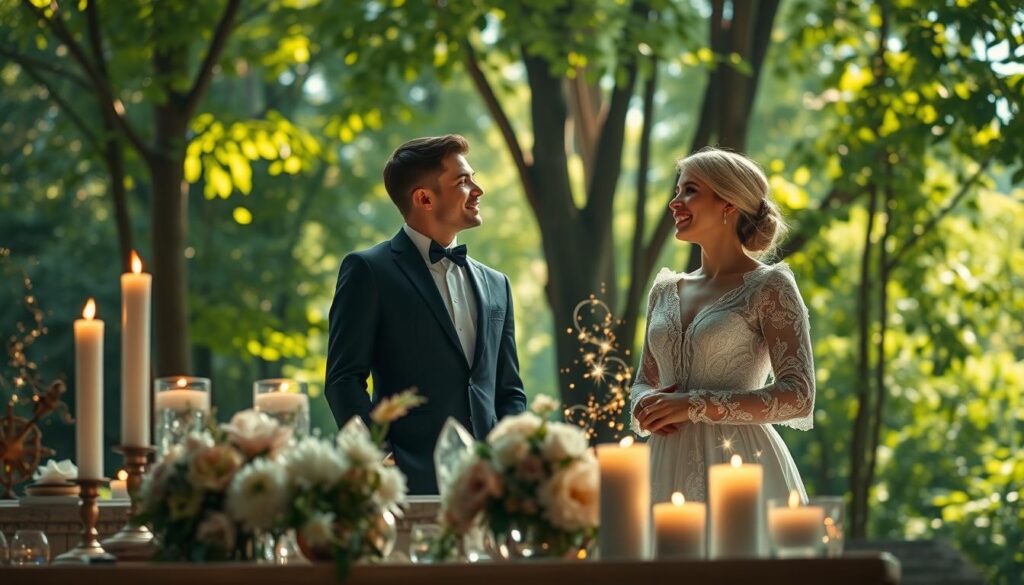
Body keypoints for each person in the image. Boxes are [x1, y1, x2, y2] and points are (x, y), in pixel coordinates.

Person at [325, 134, 527, 495]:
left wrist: (510, 464)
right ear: (424, 198)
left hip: (491, 489)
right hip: (407, 484)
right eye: (463, 181)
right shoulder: (368, 271)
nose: (478, 190)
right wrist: (382, 460)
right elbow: (343, 380)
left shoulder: (498, 285)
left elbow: (508, 391)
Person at [631, 147, 815, 505]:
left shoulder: (770, 287)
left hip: (741, 466)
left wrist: (694, 404)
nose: (675, 202)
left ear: (728, 204)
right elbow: (644, 380)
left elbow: (799, 396)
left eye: (690, 190)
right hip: (661, 465)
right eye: (677, 190)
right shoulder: (665, 289)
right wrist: (643, 403)